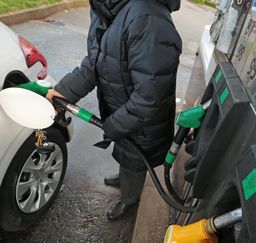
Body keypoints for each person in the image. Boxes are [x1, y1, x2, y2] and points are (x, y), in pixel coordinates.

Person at [46, 0, 182, 220]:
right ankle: (125, 178)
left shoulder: (148, 18)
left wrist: (113, 125)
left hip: (142, 123)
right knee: (126, 154)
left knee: (135, 160)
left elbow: (150, 96)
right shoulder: (105, 9)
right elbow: (95, 63)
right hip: (124, 113)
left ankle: (129, 198)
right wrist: (62, 91)